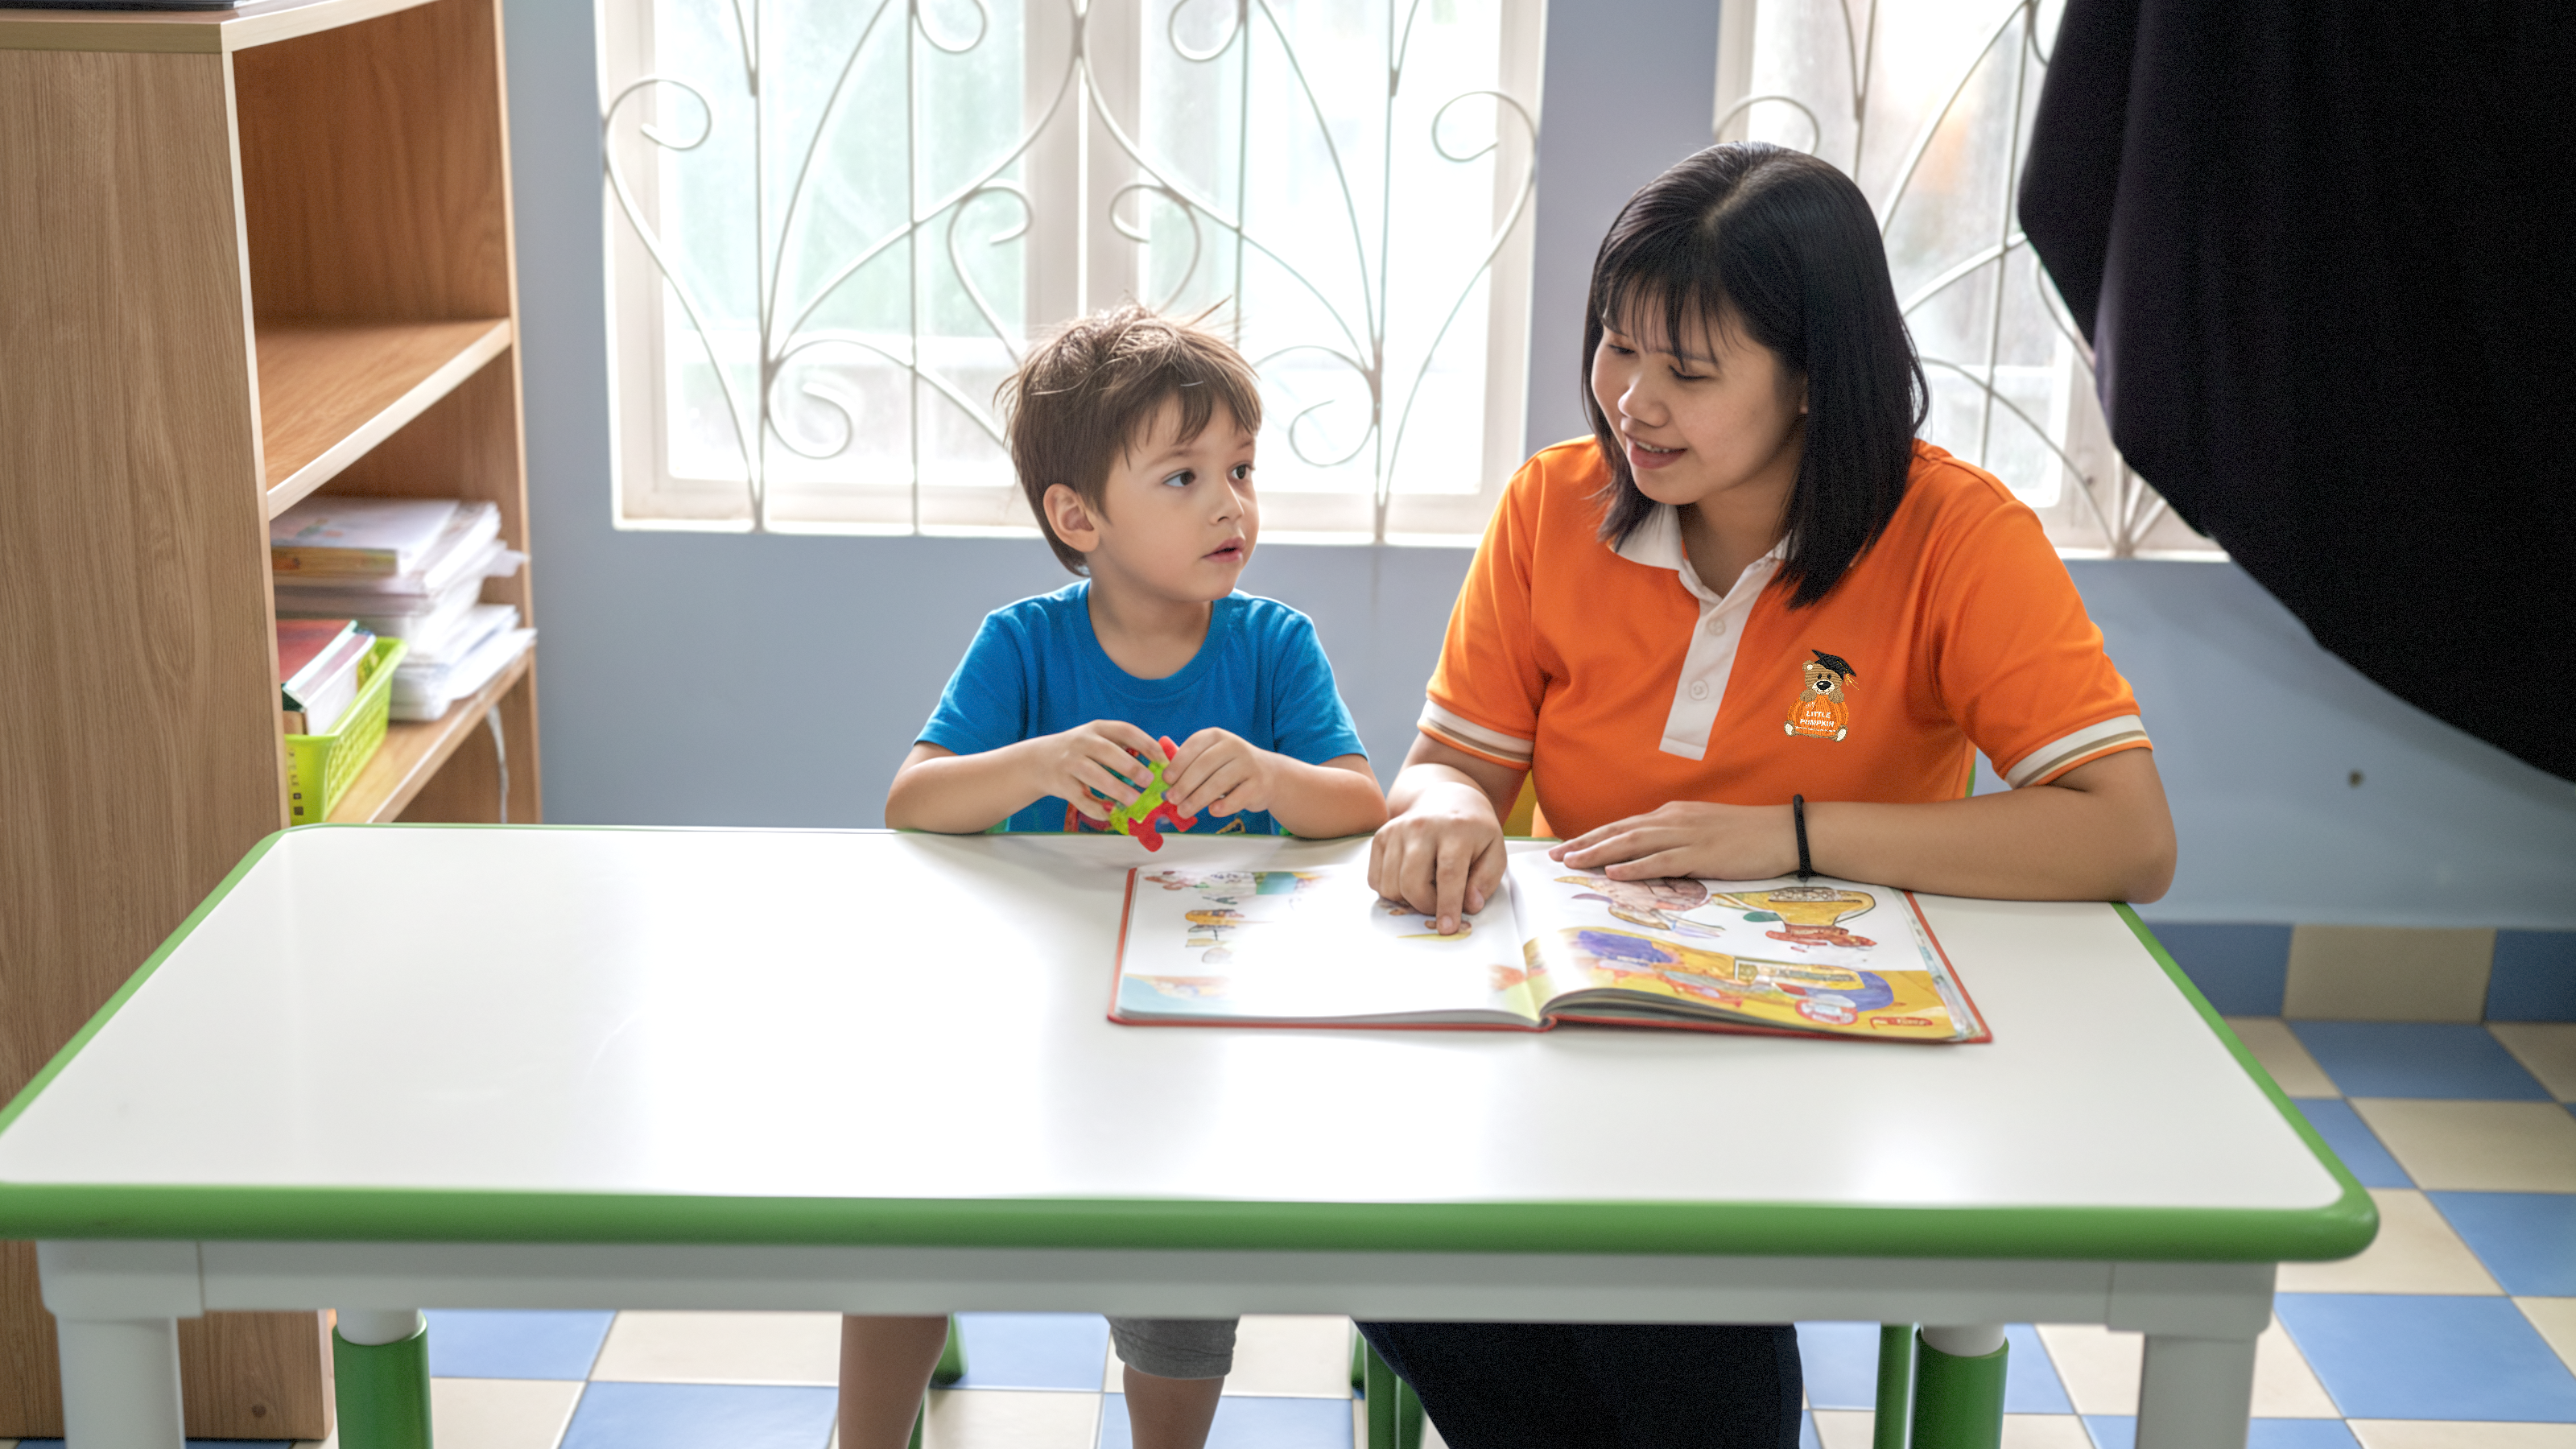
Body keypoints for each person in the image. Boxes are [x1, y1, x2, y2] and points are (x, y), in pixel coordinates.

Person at [1361, 142, 2176, 1447]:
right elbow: (1455, 756)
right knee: (1387, 1228)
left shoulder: (1954, 537)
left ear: (1813, 378)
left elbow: (2129, 836)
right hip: (1589, 1025)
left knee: (1660, 1279)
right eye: (1617, 347)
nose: (1633, 400)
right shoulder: (1550, 506)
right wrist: (1450, 803)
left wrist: (1790, 838)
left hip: (1830, 1050)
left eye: (1690, 370)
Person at [855, 304, 1388, 1449]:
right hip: (1025, 1018)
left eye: (1241, 470)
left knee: (1181, 1241)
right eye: (1185, 476)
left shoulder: (1273, 645)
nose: (1231, 503)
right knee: (900, 1207)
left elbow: (1358, 806)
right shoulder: (1025, 645)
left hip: (1196, 1029)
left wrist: (1268, 776)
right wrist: (1036, 762)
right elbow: (913, 801)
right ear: (1078, 515)